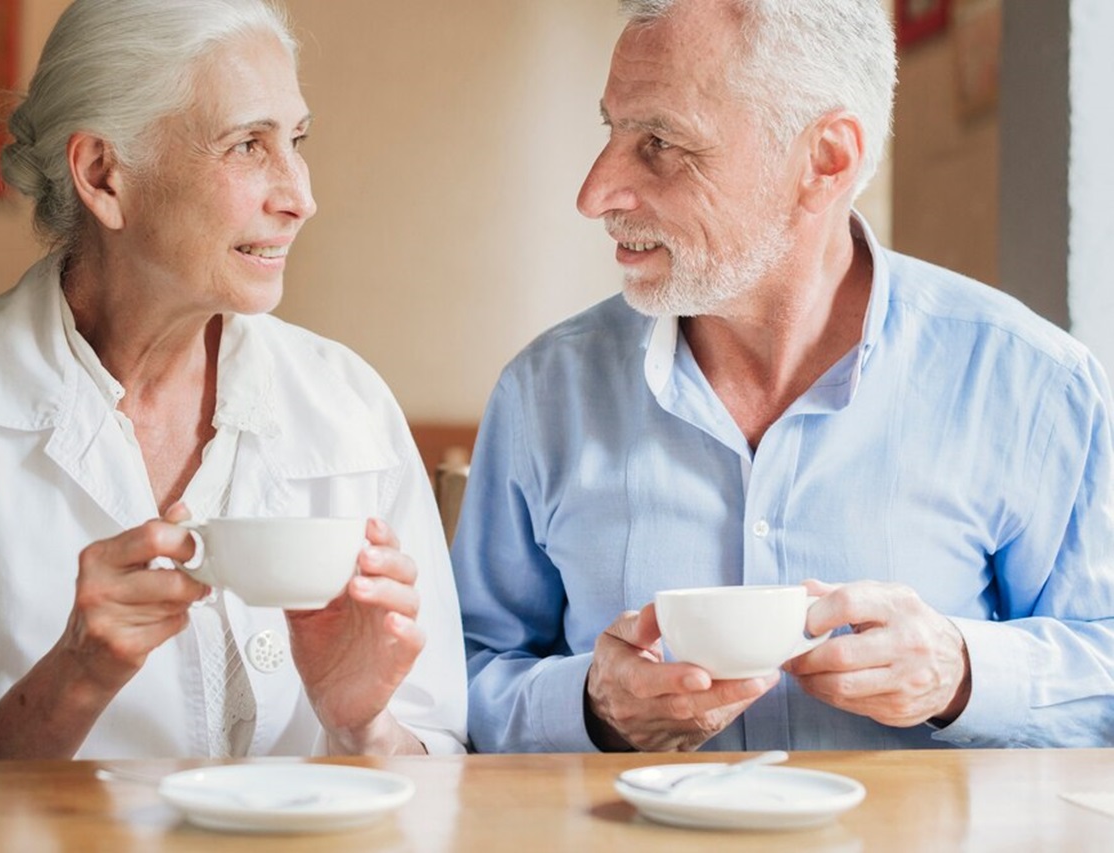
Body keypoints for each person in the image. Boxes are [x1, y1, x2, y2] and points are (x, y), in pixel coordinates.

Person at [453, 0, 1114, 754]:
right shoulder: (544, 394)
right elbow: (460, 681)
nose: (595, 192)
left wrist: (961, 673)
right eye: (614, 130)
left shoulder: (1031, 382)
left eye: (661, 142)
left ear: (826, 158)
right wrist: (592, 707)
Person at [0, 0, 466, 760]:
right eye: (247, 146)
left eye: (295, 140)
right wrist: (76, 677)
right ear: (104, 174)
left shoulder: (351, 407)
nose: (300, 195)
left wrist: (365, 724)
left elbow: (441, 781)